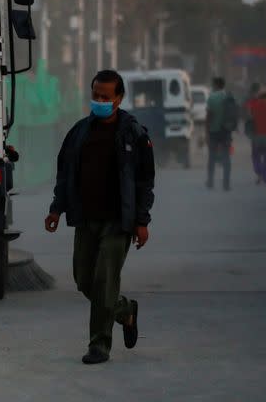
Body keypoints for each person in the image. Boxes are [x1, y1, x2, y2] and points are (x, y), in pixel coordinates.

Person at [45, 70, 155, 365]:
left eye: (107, 97)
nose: (100, 101)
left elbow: (145, 182)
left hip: (119, 221)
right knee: (84, 280)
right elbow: (65, 173)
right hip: (86, 218)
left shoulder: (134, 134)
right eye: (96, 95)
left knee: (105, 279)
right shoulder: (80, 132)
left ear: (119, 98)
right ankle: (124, 310)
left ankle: (99, 345)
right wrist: (57, 208)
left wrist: (141, 221)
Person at [205, 77, 237, 191]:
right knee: (226, 157)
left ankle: (210, 181)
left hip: (214, 131)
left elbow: (209, 116)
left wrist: (206, 132)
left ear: (215, 85)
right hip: (226, 131)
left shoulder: (212, 97)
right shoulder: (228, 96)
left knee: (212, 157)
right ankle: (226, 183)